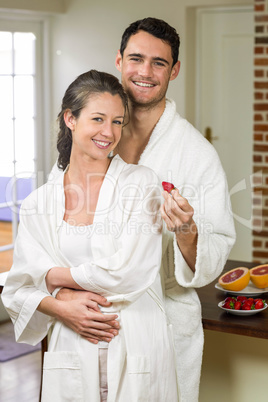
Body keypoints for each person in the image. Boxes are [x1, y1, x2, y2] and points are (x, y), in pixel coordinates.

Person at [52, 18, 236, 402]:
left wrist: (186, 230)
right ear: (119, 60)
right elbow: (53, 233)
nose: (145, 73)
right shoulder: (91, 138)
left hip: (162, 326)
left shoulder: (196, 154)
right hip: (88, 323)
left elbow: (215, 251)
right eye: (136, 58)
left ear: (175, 70)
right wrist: (59, 294)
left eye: (159, 63)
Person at [2, 70, 179, 401]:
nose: (108, 132)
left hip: (137, 338)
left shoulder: (140, 184)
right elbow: (16, 290)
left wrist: (54, 279)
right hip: (71, 344)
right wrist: (62, 307)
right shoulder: (39, 203)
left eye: (117, 121)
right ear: (70, 118)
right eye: (98, 119)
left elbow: (127, 272)